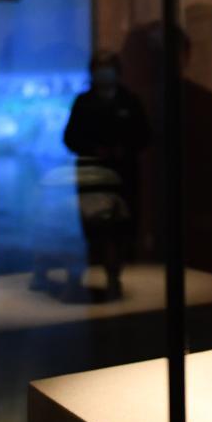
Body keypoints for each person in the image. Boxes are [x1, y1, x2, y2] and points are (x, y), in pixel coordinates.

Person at [61, 51, 150, 299]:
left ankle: (115, 273)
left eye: (107, 67)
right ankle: (90, 273)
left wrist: (124, 149)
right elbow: (70, 138)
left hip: (123, 176)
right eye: (99, 68)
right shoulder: (83, 103)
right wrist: (93, 149)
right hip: (92, 177)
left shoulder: (130, 101)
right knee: (93, 227)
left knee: (121, 226)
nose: (103, 73)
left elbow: (144, 135)